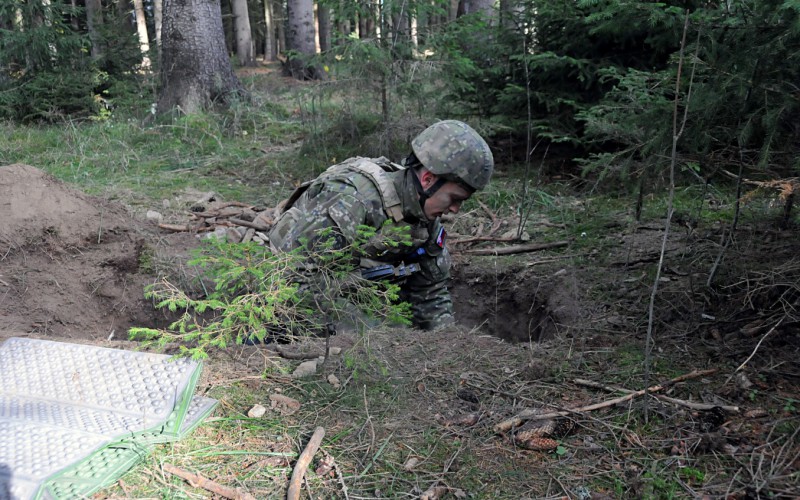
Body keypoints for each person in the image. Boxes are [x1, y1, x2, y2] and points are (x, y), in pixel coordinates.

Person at [268, 120, 493, 331]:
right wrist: (380, 333)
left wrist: (445, 339)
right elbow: (298, 285)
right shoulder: (350, 202)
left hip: (355, 291)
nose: (454, 210)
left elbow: (430, 291)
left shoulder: (424, 218)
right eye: (454, 199)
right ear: (428, 180)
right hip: (298, 291)